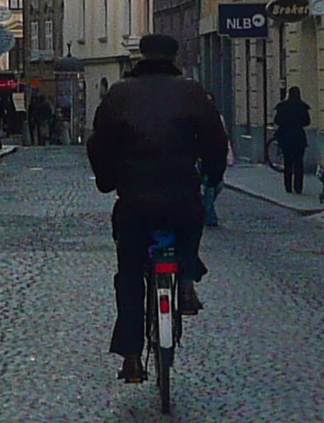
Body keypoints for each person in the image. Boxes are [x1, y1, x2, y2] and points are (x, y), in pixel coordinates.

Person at [88, 33, 228, 384]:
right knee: (190, 221)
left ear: (141, 56)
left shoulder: (119, 94)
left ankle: (132, 357)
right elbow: (215, 139)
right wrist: (212, 175)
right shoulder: (192, 92)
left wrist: (107, 180)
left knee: (130, 276)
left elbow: (99, 143)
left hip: (135, 200)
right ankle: (184, 280)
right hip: (182, 196)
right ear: (174, 56)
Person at [271, 86, 313, 194]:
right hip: (299, 137)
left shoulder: (283, 106)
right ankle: (298, 187)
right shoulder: (302, 106)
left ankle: (288, 186)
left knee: (288, 162)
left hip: (285, 137)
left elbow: (277, 120)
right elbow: (307, 122)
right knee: (299, 163)